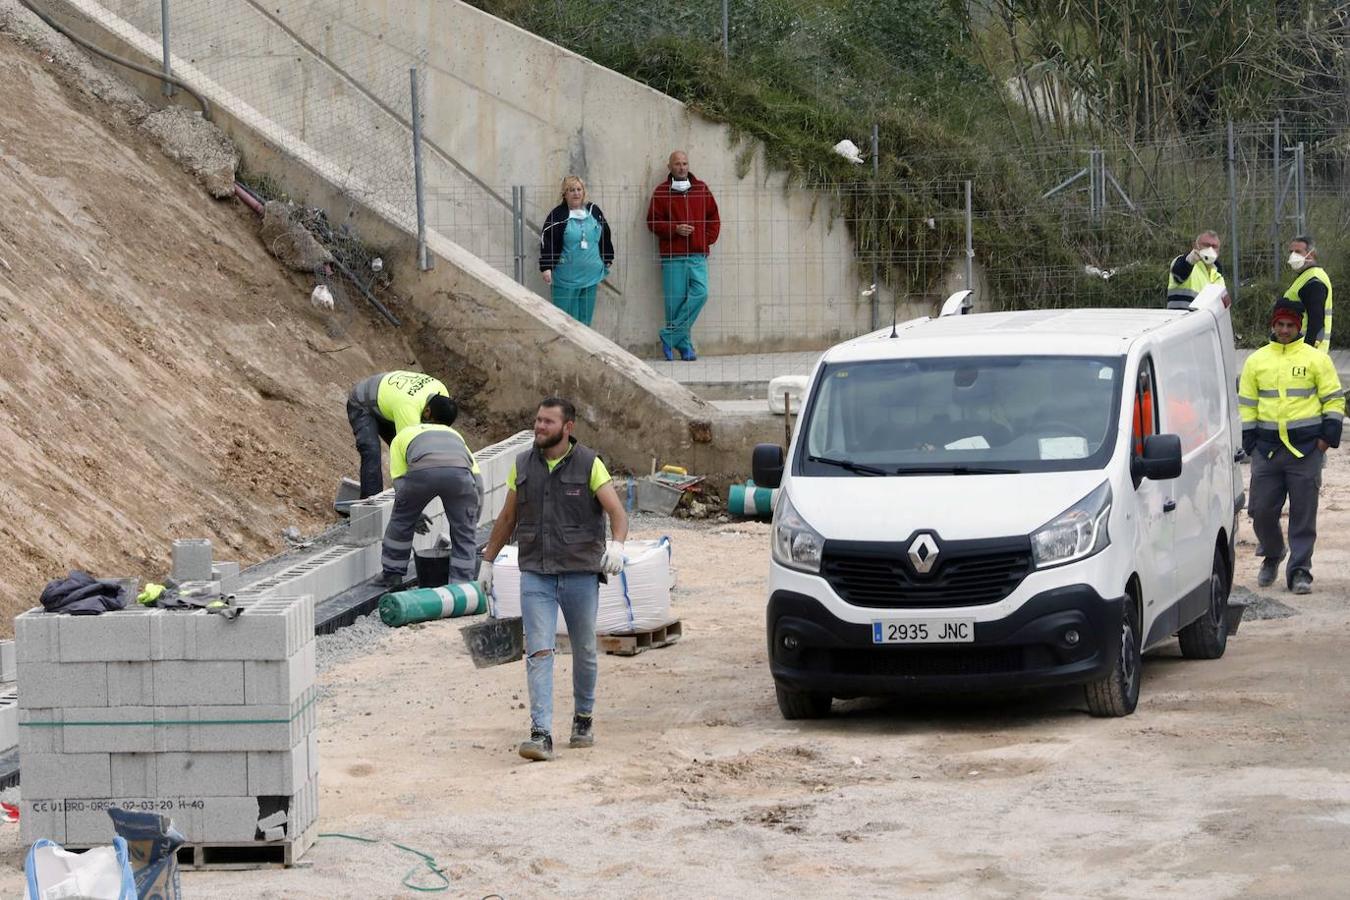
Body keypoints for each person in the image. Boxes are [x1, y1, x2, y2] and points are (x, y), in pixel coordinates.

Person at [478, 398, 628, 761]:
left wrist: (618, 545)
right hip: (536, 573)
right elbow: (508, 517)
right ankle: (540, 732)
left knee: (585, 650)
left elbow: (617, 513)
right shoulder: (523, 464)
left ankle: (583, 717)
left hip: (579, 573)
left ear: (568, 428)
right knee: (540, 651)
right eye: (537, 420)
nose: (539, 426)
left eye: (547, 421)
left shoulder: (590, 464)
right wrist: (487, 560)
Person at [1239, 298, 1345, 594]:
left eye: (1290, 326)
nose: (1285, 330)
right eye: (1280, 325)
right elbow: (1247, 405)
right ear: (1272, 325)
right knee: (1260, 510)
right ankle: (1272, 553)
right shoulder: (1256, 361)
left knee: (1303, 514)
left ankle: (1300, 571)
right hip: (1267, 450)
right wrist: (1250, 442)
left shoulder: (1316, 359)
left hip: (1306, 451)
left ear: (1298, 327)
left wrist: (1326, 439)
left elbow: (1334, 399)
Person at [378, 395, 483, 588]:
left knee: (401, 521)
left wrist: (413, 513)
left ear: (427, 412)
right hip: (459, 475)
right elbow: (476, 476)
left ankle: (392, 574)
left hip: (421, 473)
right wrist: (472, 515)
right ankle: (462, 586)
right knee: (464, 532)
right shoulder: (456, 436)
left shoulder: (404, 435)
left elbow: (400, 481)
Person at [646, 150, 720, 361]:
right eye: (677, 164)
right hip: (673, 256)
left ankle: (668, 336)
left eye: (685, 163)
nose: (681, 167)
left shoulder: (701, 189)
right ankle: (684, 347)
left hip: (697, 255)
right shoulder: (661, 192)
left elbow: (714, 217)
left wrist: (705, 240)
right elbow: (652, 222)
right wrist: (674, 229)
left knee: (701, 293)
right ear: (669, 167)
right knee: (675, 304)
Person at [347, 371, 450, 498]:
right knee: (371, 451)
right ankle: (370, 506)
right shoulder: (409, 409)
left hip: (389, 401)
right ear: (427, 410)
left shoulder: (443, 394)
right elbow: (409, 451)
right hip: (362, 402)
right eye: (432, 422)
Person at [538, 175, 615, 327]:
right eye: (571, 190)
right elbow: (547, 241)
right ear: (564, 194)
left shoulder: (593, 210)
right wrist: (546, 267)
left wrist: (607, 257)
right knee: (563, 321)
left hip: (591, 277)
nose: (576, 193)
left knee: (585, 322)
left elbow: (605, 233)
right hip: (566, 278)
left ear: (584, 192)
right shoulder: (557, 215)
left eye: (579, 189)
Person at [1284, 235, 1333, 352]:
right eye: (1291, 252)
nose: (1293, 256)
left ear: (1311, 254)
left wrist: (1308, 349)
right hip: (1299, 347)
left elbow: (1316, 320)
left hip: (1305, 350)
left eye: (1297, 252)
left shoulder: (1313, 281)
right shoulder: (1307, 277)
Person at [1166, 231, 1225, 309]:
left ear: (1218, 250)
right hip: (1182, 319)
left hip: (1207, 320)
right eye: (1206, 245)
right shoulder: (1185, 263)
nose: (1210, 249)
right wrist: (1189, 261)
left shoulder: (1218, 276)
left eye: (1214, 246)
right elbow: (1179, 273)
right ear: (1195, 246)